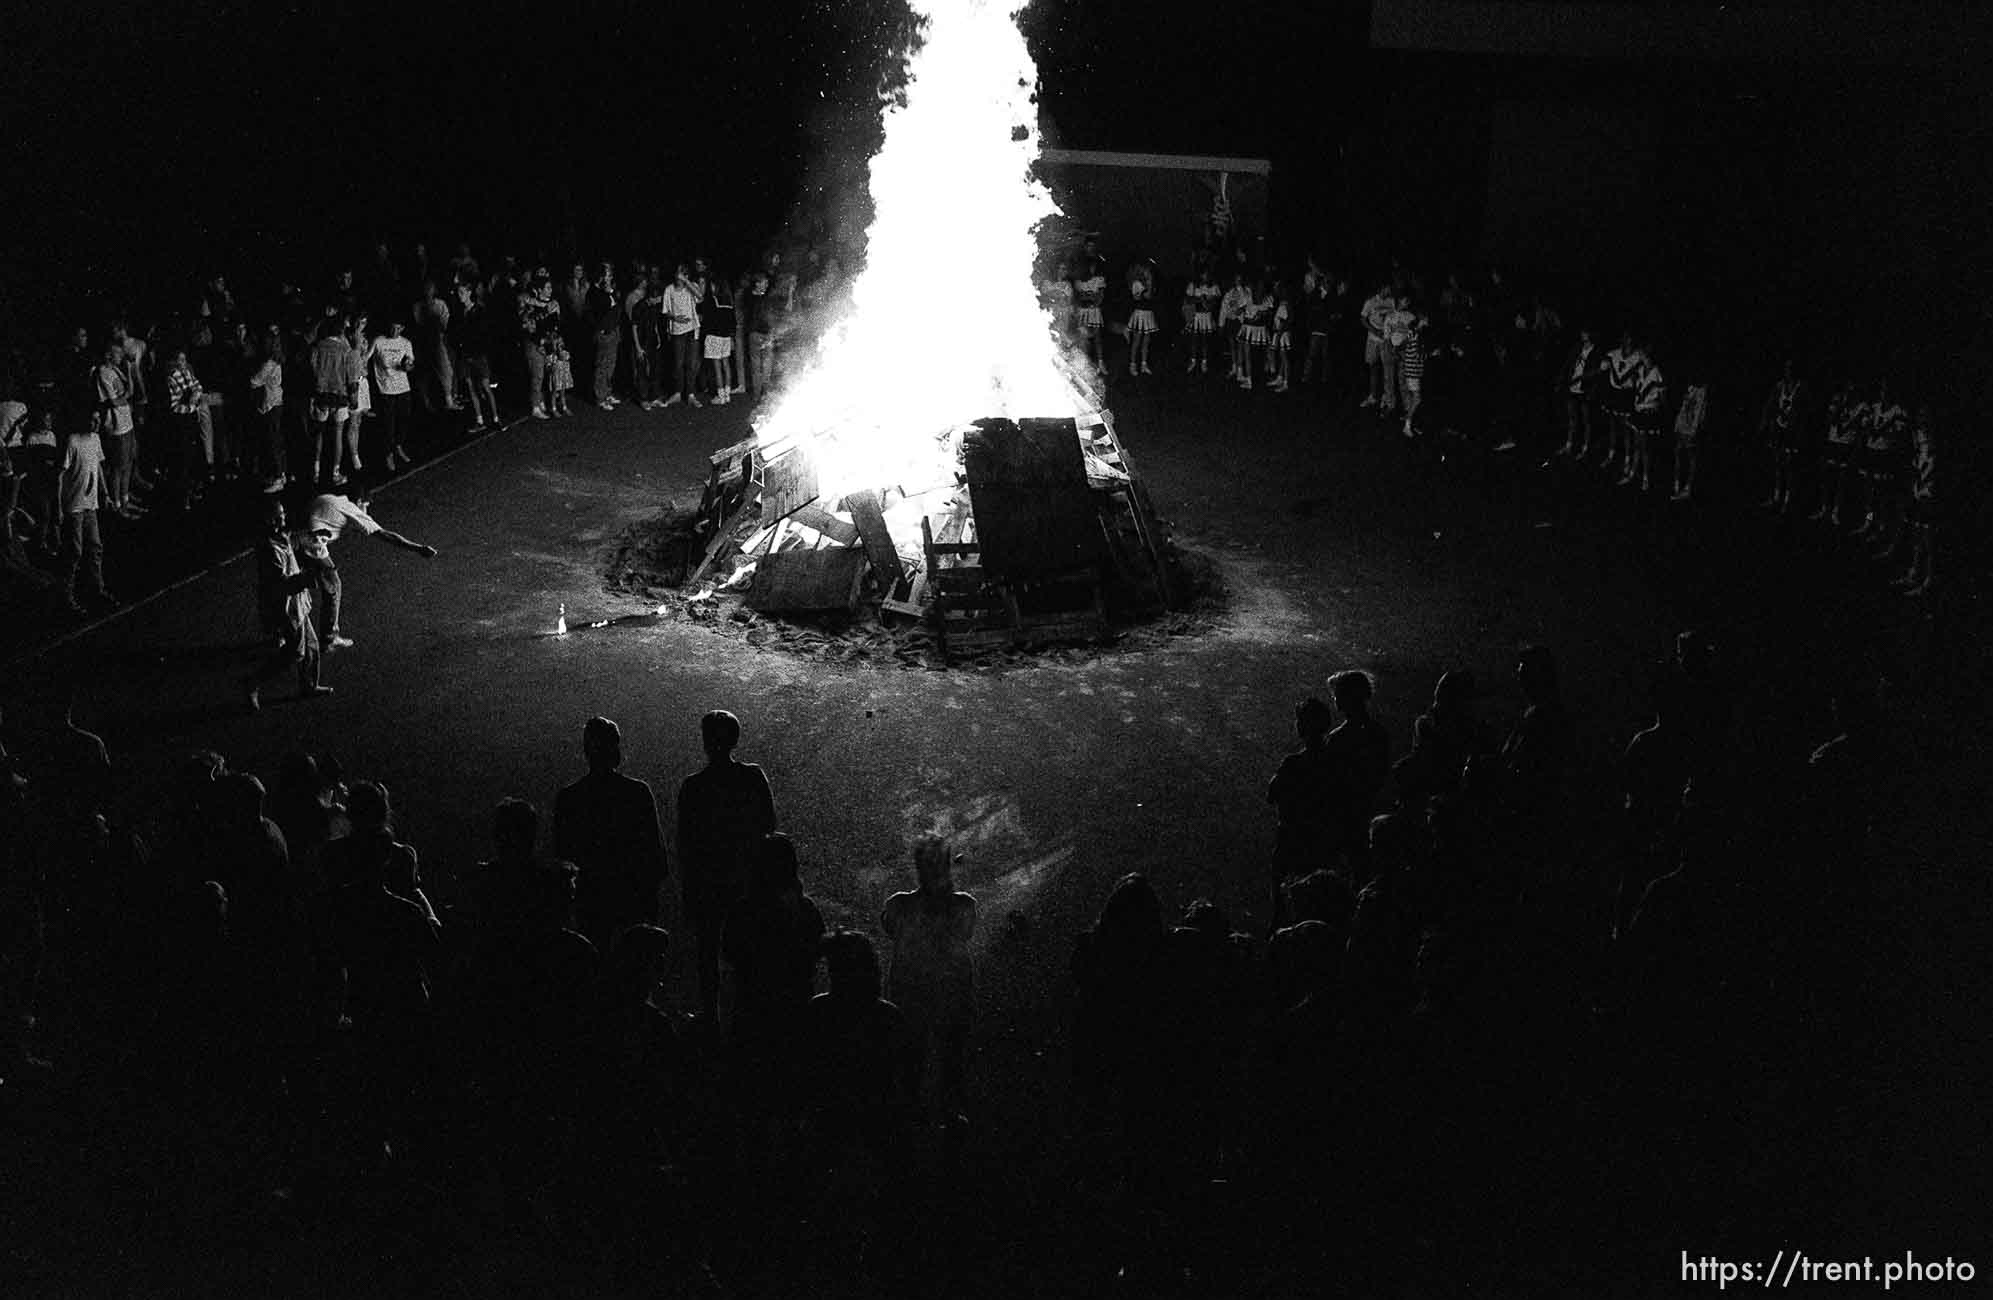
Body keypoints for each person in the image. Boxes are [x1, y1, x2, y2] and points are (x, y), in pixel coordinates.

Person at [676, 709, 776, 1022]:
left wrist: (689, 889)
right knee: (749, 953)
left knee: (708, 954)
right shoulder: (751, 776)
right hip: (747, 881)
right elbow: (769, 826)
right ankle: (750, 1017)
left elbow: (686, 844)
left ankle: (711, 1017)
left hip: (708, 883)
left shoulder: (693, 786)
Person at [879, 835, 977, 1123]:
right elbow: (965, 933)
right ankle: (949, 1121)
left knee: (914, 1064)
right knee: (950, 1063)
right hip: (950, 995)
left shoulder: (899, 906)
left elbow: (890, 929)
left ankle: (910, 1125)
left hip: (912, 996)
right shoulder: (963, 905)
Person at [554, 716, 668, 952]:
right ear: (615, 748)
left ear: (586, 750)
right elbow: (655, 854)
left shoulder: (569, 798)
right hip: (632, 894)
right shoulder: (637, 792)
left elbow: (562, 856)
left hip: (590, 896)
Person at [297, 491, 438, 653]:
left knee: (294, 584)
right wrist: (419, 548)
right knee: (333, 585)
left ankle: (281, 633)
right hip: (313, 545)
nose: (366, 511)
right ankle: (329, 638)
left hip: (297, 540)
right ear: (360, 501)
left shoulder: (330, 498)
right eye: (366, 506)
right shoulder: (351, 508)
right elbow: (385, 535)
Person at [241, 497, 330, 711]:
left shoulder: (281, 537)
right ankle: (253, 683)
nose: (284, 517)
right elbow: (281, 584)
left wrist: (313, 536)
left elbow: (295, 540)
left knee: (311, 646)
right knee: (295, 652)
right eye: (279, 515)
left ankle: (309, 685)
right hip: (286, 606)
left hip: (296, 601)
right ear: (270, 520)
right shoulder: (270, 549)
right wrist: (308, 579)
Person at [57, 414, 113, 614]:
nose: (97, 423)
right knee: (75, 552)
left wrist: (104, 493)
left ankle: (96, 589)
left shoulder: (95, 439)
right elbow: (61, 475)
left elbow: (97, 465)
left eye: (98, 420)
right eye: (93, 420)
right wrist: (59, 507)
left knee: (95, 547)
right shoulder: (73, 441)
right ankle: (66, 596)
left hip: (91, 504)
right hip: (74, 506)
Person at [306, 318, 355, 488]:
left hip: (321, 395)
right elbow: (351, 374)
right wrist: (353, 396)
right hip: (340, 395)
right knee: (338, 434)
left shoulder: (317, 347)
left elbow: (312, 368)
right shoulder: (345, 349)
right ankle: (335, 473)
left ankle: (316, 470)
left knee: (319, 433)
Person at [93, 341, 140, 518]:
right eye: (118, 354)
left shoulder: (116, 370)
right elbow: (114, 401)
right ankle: (117, 504)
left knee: (128, 462)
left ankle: (125, 498)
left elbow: (129, 391)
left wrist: (128, 368)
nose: (121, 357)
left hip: (127, 421)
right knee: (118, 466)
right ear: (108, 355)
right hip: (116, 426)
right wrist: (125, 397)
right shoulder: (102, 373)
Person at [368, 317, 415, 470]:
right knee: (388, 423)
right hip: (386, 389)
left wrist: (407, 366)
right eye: (393, 328)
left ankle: (398, 446)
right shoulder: (379, 341)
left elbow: (411, 363)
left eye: (398, 329)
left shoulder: (406, 343)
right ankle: (388, 454)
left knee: (404, 419)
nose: (395, 331)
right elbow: (366, 358)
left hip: (403, 387)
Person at [248, 330, 288, 491]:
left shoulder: (269, 363)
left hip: (270, 403)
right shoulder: (277, 361)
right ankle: (281, 474)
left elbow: (254, 381)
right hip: (277, 402)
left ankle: (277, 477)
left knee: (272, 442)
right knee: (276, 440)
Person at [658, 263, 702, 409]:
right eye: (678, 273)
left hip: (692, 328)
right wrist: (676, 318)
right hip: (677, 330)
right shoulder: (669, 289)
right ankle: (677, 392)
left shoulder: (691, 286)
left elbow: (700, 296)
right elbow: (665, 310)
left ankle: (690, 394)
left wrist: (687, 282)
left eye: (683, 273)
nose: (679, 276)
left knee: (692, 363)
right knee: (678, 363)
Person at [518, 269, 560, 420]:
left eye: (551, 287)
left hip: (548, 343)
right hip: (533, 345)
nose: (550, 290)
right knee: (537, 375)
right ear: (539, 290)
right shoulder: (529, 304)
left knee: (545, 375)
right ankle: (535, 406)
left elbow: (556, 325)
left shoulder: (553, 304)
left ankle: (541, 400)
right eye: (547, 288)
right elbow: (526, 326)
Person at [587, 263, 623, 410]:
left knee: (610, 365)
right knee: (602, 365)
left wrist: (611, 291)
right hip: (604, 333)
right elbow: (599, 313)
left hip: (613, 331)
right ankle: (600, 397)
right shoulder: (594, 293)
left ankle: (607, 393)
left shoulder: (607, 291)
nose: (610, 278)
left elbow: (617, 307)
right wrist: (599, 329)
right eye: (607, 275)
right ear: (601, 276)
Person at [1360, 279, 1399, 413]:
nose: (1390, 290)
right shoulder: (1371, 302)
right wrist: (1374, 330)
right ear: (1382, 288)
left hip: (1386, 340)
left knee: (1387, 371)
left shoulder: (1391, 302)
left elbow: (1395, 318)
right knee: (1373, 367)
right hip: (1372, 340)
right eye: (1387, 288)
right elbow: (1363, 319)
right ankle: (1373, 396)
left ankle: (1387, 399)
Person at [701, 272, 738, 404]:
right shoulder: (729, 302)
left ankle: (720, 396)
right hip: (726, 337)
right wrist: (732, 337)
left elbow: (706, 319)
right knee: (726, 365)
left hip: (714, 336)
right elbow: (733, 322)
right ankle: (727, 395)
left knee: (717, 367)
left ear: (714, 286)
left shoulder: (712, 300)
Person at [1671, 369, 1708, 501]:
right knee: (1678, 453)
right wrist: (1677, 424)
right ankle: (1676, 485)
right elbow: (1683, 406)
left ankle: (1687, 488)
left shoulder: (1702, 392)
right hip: (1681, 426)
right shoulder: (1690, 387)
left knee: (1691, 457)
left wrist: (1693, 431)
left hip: (1690, 429)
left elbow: (1698, 415)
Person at [1125, 260, 1157, 377]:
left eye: (1149, 272)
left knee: (1146, 342)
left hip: (1148, 314)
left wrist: (1150, 286)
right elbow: (1136, 298)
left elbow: (1151, 298)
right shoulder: (1137, 283)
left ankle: (1144, 365)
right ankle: (1132, 365)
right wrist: (1144, 290)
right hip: (1139, 315)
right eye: (1146, 272)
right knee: (1137, 341)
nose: (1148, 274)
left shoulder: (1151, 284)